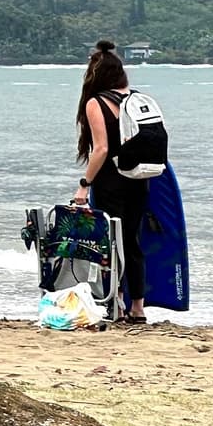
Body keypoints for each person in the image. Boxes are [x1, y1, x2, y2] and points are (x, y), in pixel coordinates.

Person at [76, 39, 150, 323]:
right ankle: (138, 308)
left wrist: (84, 185)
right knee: (132, 240)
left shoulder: (97, 102)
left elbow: (102, 149)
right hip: (140, 179)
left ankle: (115, 301)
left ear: (96, 74)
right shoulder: (138, 98)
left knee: (109, 243)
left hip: (110, 182)